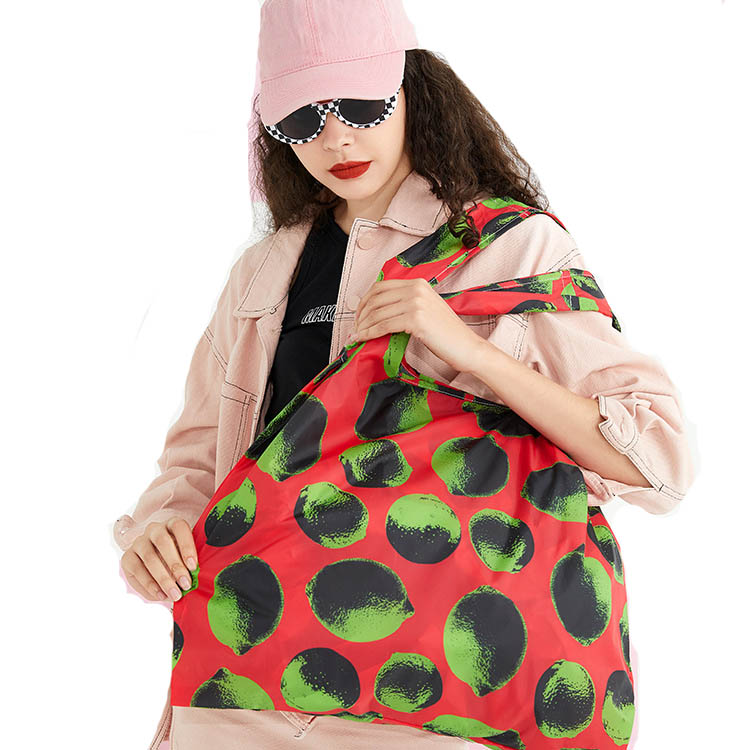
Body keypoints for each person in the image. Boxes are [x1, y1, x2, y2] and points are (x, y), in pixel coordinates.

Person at [112, 1, 696, 748]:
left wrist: (471, 350)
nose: (336, 137)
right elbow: (197, 461)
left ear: (414, 89)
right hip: (249, 683)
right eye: (302, 119)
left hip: (444, 693)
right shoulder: (262, 272)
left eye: (361, 104)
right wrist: (156, 530)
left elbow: (660, 463)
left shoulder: (510, 249)